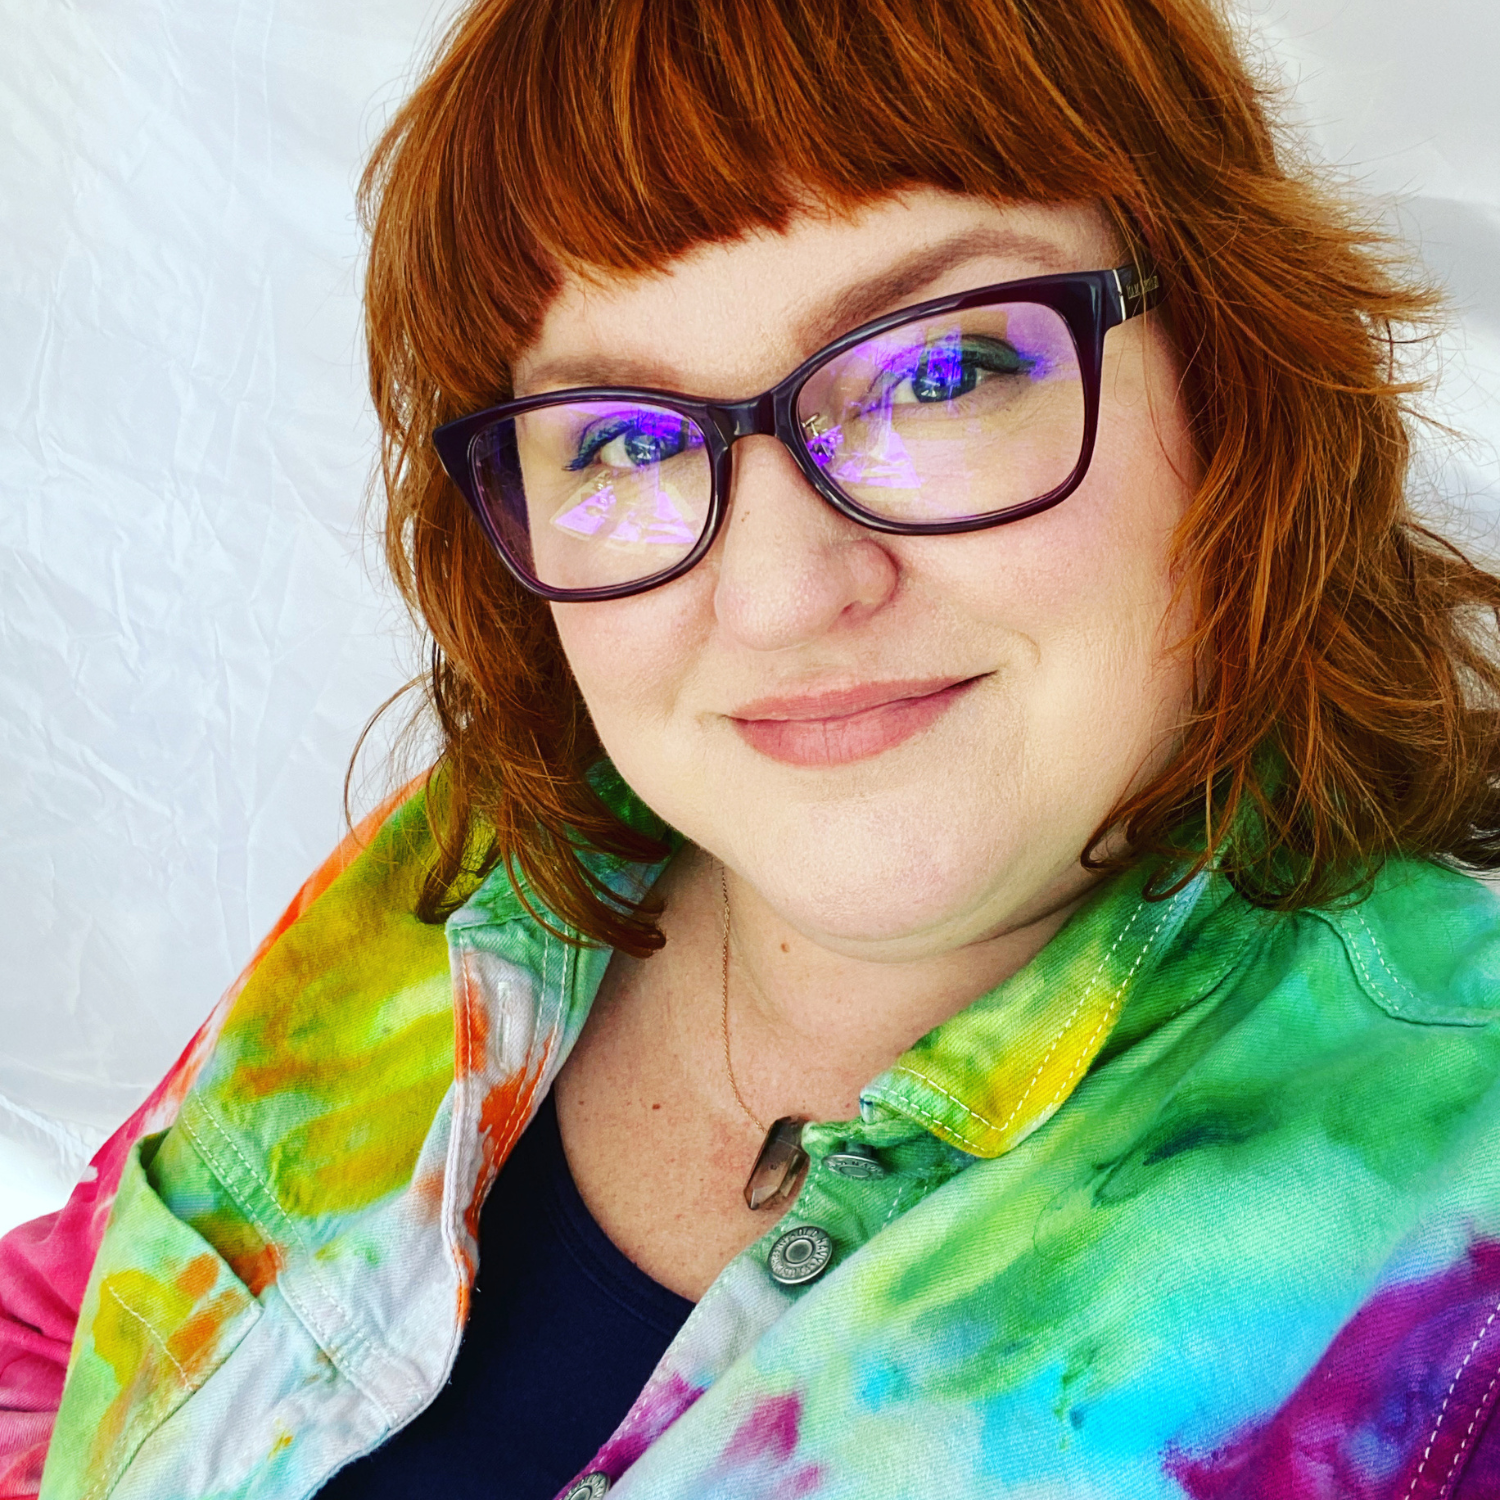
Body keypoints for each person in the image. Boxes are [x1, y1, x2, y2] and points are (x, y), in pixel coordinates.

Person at [4, 0, 1500, 1495]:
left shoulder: (1457, 1246)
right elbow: (69, 1327)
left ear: (1234, 376)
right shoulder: (464, 872)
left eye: (941, 374)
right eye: (624, 438)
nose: (782, 596)